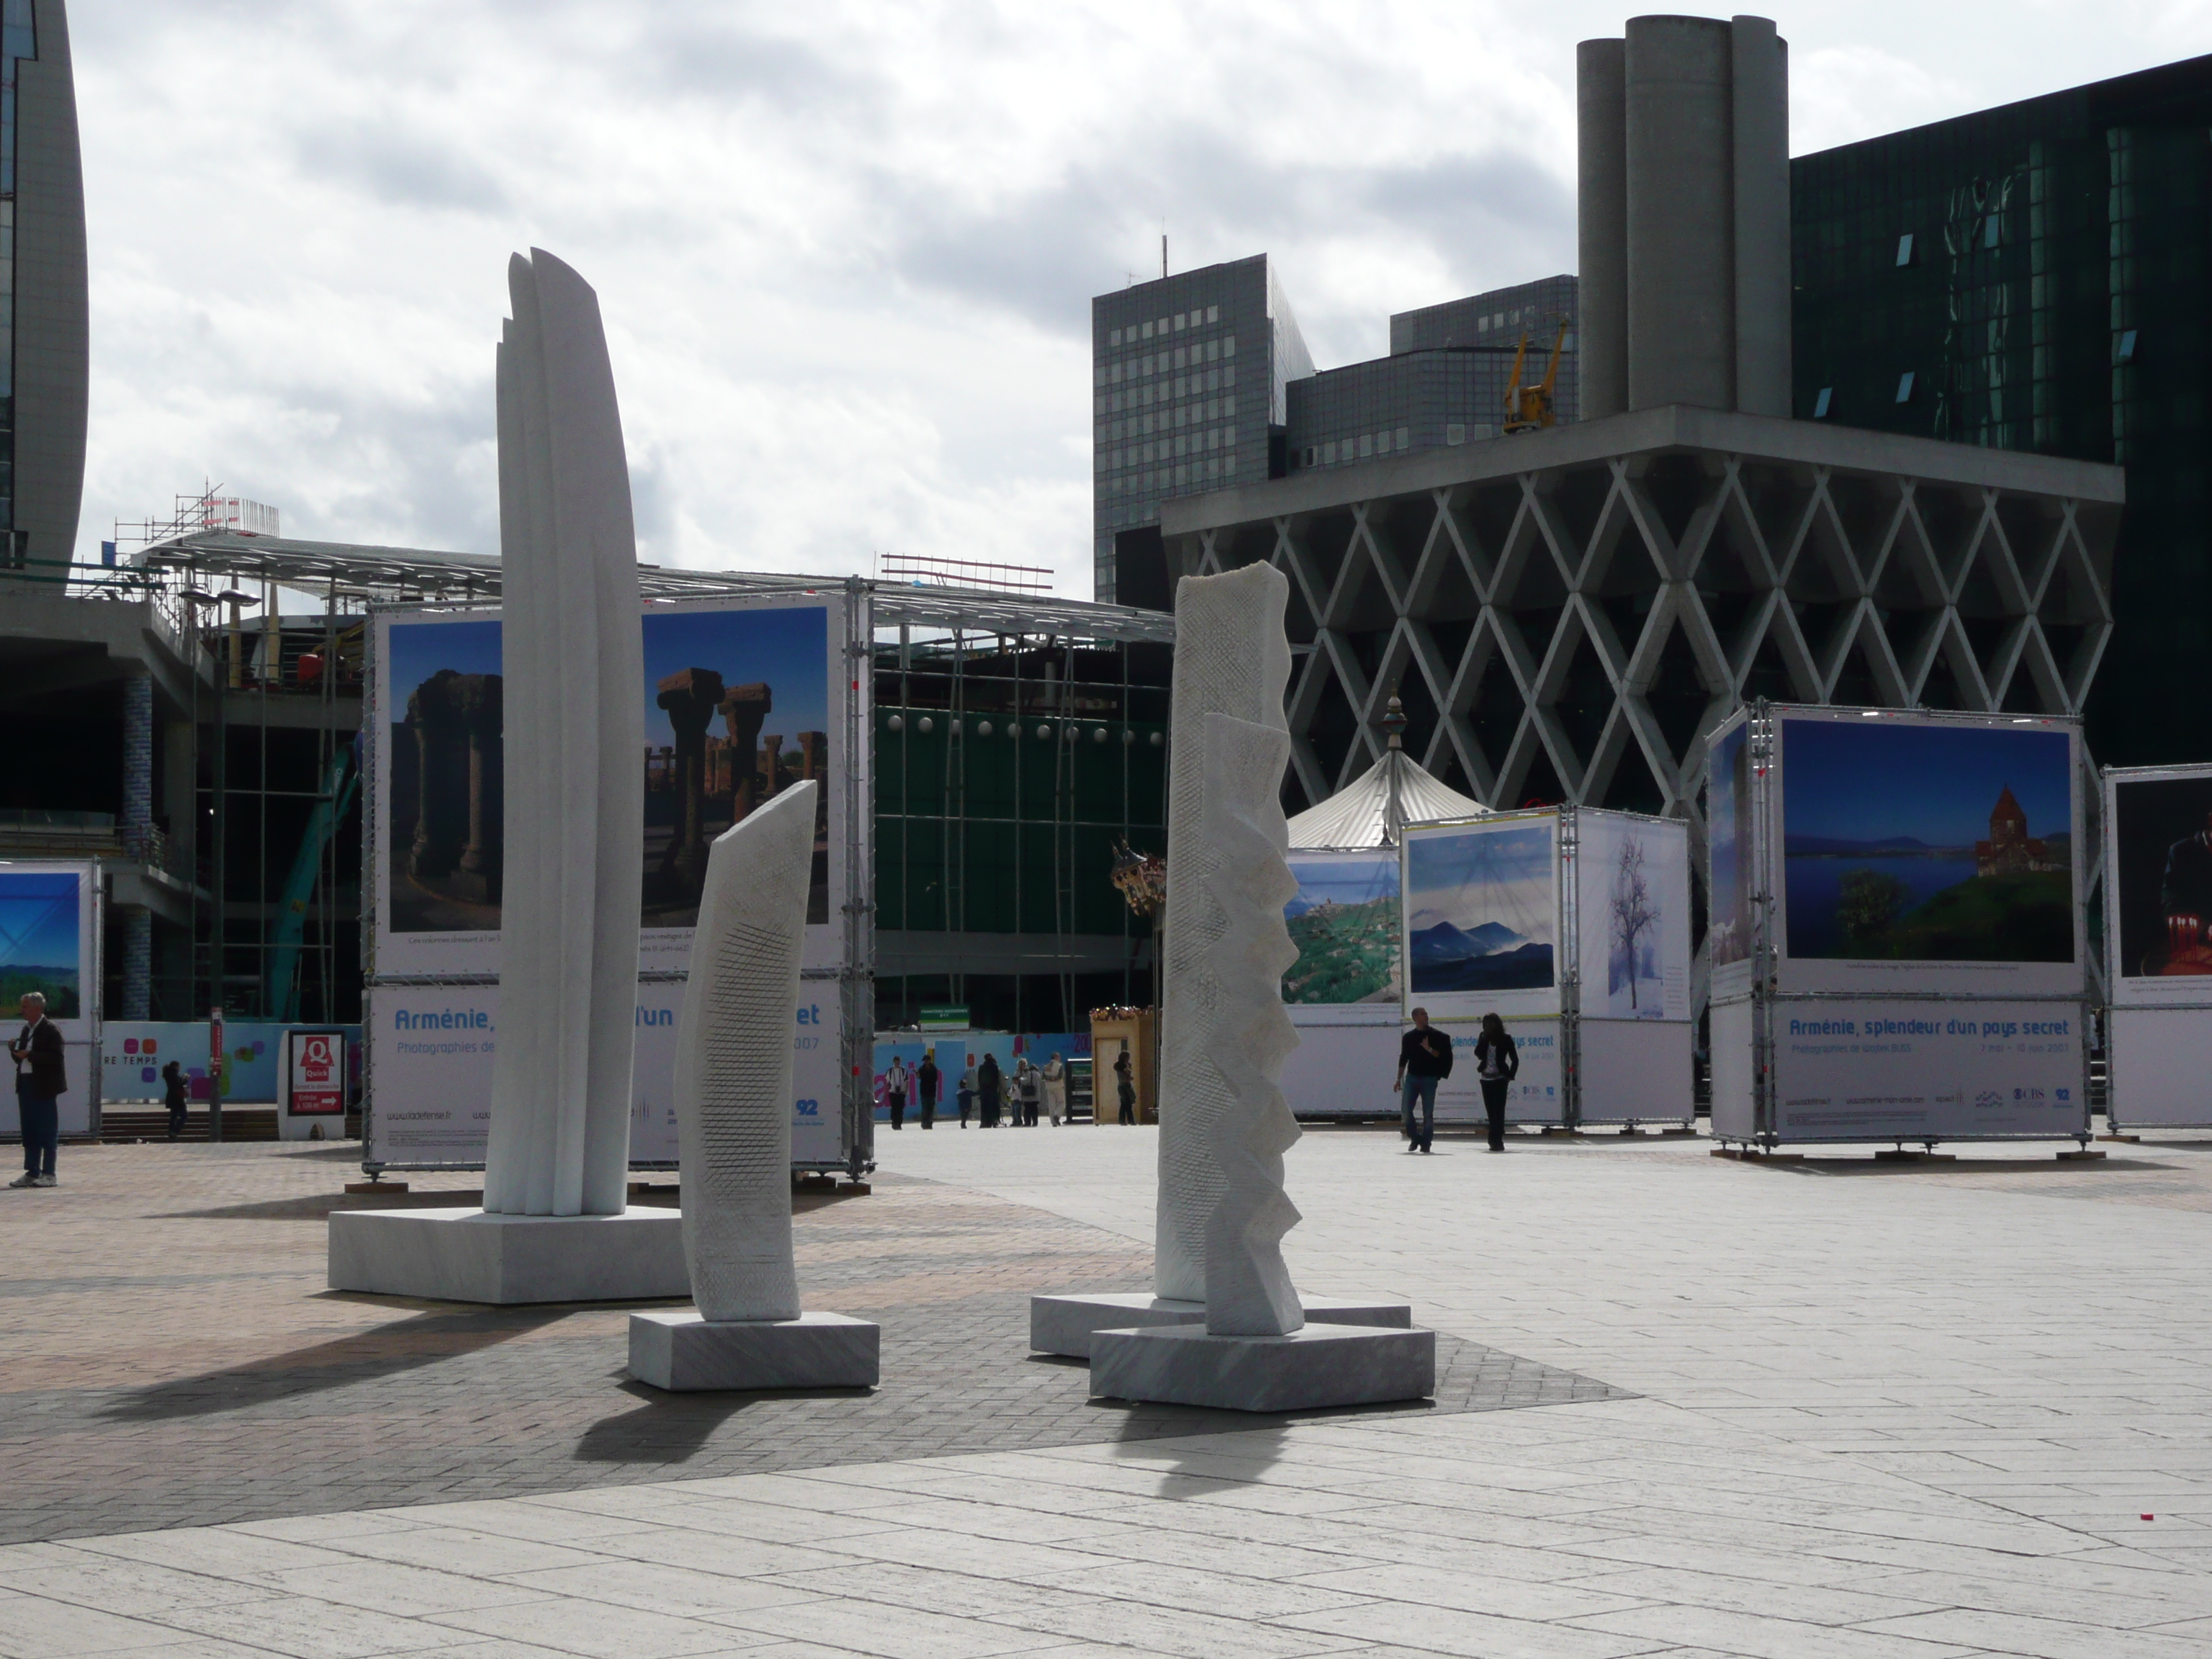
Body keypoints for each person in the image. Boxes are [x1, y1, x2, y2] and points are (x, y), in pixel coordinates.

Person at [10, 992, 64, 1189]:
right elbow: (21, 1059)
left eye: (25, 1007)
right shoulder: (26, 1030)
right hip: (25, 1083)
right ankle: (32, 1171)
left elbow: (56, 1058)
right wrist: (15, 1051)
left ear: (37, 1008)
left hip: (43, 1086)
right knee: (30, 1129)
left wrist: (30, 1054)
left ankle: (49, 1172)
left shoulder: (51, 1030)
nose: (22, 1010)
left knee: (46, 1130)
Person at [1394, 1005, 1452, 1154]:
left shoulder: (1437, 1036)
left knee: (1428, 1113)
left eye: (1426, 1014)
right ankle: (1414, 1137)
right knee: (1406, 1110)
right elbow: (1403, 1059)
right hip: (1412, 1077)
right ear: (1415, 1018)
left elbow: (1443, 1055)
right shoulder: (1409, 1037)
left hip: (1429, 1078)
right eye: (1422, 1014)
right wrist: (1398, 1079)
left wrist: (1429, 1049)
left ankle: (1426, 1142)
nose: (1426, 1016)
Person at [1473, 1011, 1519, 1153]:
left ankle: (1496, 1140)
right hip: (1486, 1078)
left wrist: (1510, 1075)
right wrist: (1484, 1039)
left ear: (1497, 1025)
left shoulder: (1505, 1039)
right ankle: (1494, 1139)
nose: (1488, 1026)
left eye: (1490, 1024)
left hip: (1500, 1079)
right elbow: (1478, 1054)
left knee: (1499, 1111)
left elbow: (1515, 1059)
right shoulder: (1483, 1037)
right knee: (1491, 1111)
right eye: (1485, 1024)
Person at [162, 1059, 188, 1141]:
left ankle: (171, 1132)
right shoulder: (173, 1074)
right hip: (177, 1098)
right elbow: (178, 1084)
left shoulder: (169, 1074)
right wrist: (186, 1079)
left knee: (174, 1115)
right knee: (184, 1115)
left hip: (172, 1097)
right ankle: (175, 1131)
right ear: (177, 1066)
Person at [884, 1055, 910, 1131]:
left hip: (901, 1092)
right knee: (894, 1108)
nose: (897, 1063)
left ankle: (899, 1123)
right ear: (894, 1062)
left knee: (900, 1109)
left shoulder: (903, 1070)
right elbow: (887, 1082)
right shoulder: (890, 1071)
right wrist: (886, 1093)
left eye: (898, 1062)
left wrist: (905, 1091)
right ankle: (894, 1123)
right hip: (893, 1092)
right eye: (895, 1062)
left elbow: (907, 1081)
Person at [976, 1051, 1002, 1128]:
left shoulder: (981, 1067)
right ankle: (995, 1121)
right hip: (993, 1090)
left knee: (984, 1106)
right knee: (994, 1106)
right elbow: (998, 1079)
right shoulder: (995, 1067)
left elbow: (979, 1079)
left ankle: (984, 1122)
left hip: (984, 1091)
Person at [917, 1049, 940, 1130]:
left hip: (932, 1092)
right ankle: (924, 1123)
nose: (925, 1062)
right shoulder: (921, 1069)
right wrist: (917, 1074)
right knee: (924, 1109)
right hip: (924, 1092)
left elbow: (935, 1079)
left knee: (930, 1109)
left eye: (926, 1061)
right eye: (924, 1061)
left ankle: (929, 1123)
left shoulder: (934, 1069)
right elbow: (919, 1077)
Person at [1042, 1052, 1067, 1125]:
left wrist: (1049, 1078)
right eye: (1059, 1056)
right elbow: (1060, 1076)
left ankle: (1053, 1123)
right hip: (1058, 1086)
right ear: (1056, 1057)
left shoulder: (1046, 1067)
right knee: (1061, 1102)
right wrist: (1053, 1078)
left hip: (1049, 1087)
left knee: (1051, 1105)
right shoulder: (1059, 1066)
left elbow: (1043, 1077)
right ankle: (1057, 1116)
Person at [1114, 1047, 1137, 1125]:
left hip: (1126, 1086)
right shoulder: (1120, 1067)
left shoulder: (1127, 1066)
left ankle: (1125, 1120)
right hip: (1123, 1086)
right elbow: (1122, 1077)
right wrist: (1128, 1078)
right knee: (1125, 1104)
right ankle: (1128, 1120)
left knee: (1126, 1104)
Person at [1015, 1057, 1040, 1126]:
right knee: (1035, 1110)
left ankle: (1027, 1123)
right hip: (1036, 1095)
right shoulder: (1038, 1075)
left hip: (1028, 1095)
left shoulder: (1030, 1074)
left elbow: (1026, 1081)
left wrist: (1021, 1079)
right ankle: (1035, 1122)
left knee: (1027, 1110)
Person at [956, 1057, 977, 1128]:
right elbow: (973, 1094)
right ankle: (963, 1124)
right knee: (965, 1115)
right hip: (967, 1106)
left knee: (963, 1115)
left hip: (961, 1106)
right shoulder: (966, 1092)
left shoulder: (958, 1093)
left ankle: (963, 1123)